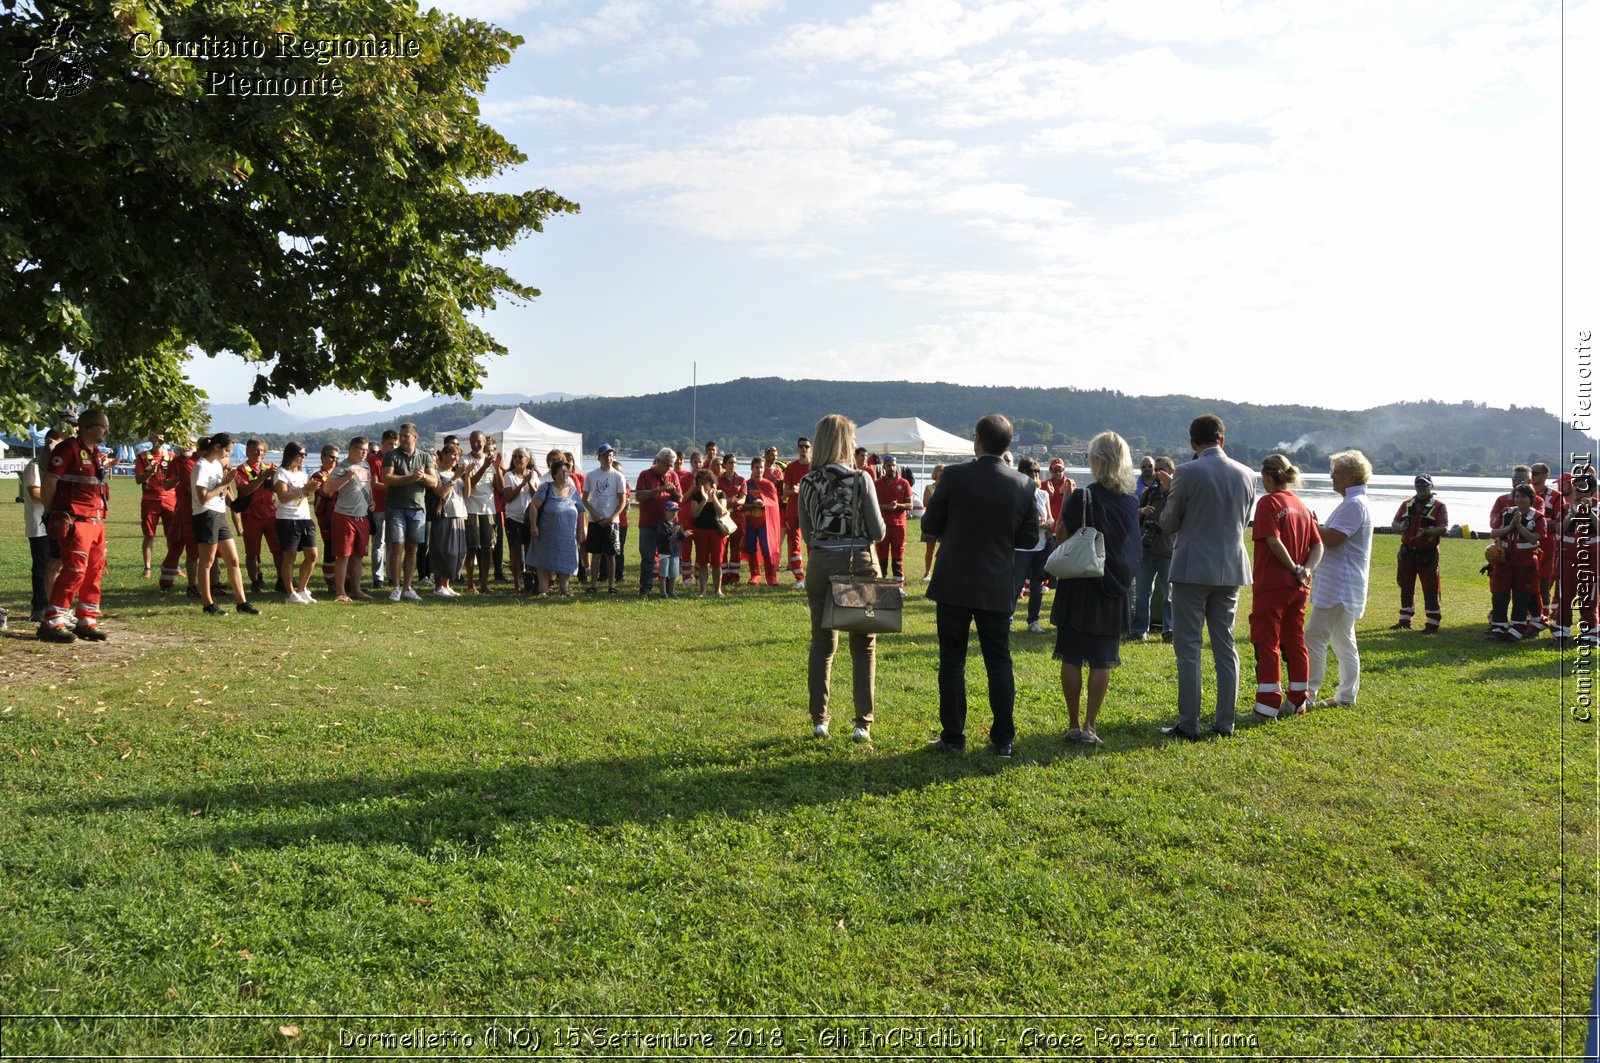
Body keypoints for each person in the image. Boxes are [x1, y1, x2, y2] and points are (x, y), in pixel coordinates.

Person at [921, 413, 1037, 758]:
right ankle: (1003, 739)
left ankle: (954, 736)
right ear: (1008, 445)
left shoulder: (954, 476)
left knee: (953, 661)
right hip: (997, 581)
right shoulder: (1023, 483)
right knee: (999, 660)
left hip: (955, 579)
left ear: (978, 440)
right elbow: (1029, 537)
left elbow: (930, 521)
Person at [1156, 414, 1256, 740]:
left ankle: (1189, 723)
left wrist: (1173, 495)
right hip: (1230, 568)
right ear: (1222, 439)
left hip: (1191, 568)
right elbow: (1244, 518)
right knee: (1225, 645)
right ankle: (1225, 722)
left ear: (1193, 444)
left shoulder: (1186, 472)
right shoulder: (1246, 474)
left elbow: (1169, 523)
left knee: (1188, 648)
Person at [798, 414, 888, 742]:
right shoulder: (861, 479)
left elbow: (807, 532)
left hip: (820, 562)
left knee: (822, 644)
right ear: (842, 442)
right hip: (858, 560)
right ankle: (862, 723)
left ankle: (819, 720)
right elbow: (877, 532)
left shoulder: (807, 483)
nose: (854, 444)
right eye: (851, 438)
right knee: (863, 646)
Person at [1050, 432, 1141, 745]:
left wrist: (1064, 500)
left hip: (1080, 584)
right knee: (1102, 659)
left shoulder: (1082, 497)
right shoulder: (1131, 501)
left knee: (1072, 656)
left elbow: (1061, 537)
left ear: (1097, 460)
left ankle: (1074, 723)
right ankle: (1091, 726)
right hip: (1113, 586)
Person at [1249, 455, 1323, 719]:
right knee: (1295, 640)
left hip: (1273, 584)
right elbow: (1318, 545)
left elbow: (1271, 539)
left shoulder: (1268, 502)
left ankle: (1267, 705)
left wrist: (1292, 566)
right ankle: (1297, 701)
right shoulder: (1301, 505)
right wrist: (1307, 570)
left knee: (1267, 641)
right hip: (1299, 586)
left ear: (1268, 477)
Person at [1306, 450, 1375, 706]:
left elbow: (1333, 539)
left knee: (1315, 636)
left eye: (1336, 472)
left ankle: (1309, 694)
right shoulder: (1353, 502)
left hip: (1339, 585)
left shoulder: (1354, 504)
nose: (1332, 477)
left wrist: (1311, 524)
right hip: (1343, 585)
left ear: (1351, 476)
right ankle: (1346, 696)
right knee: (1344, 641)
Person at [37, 413, 115, 641]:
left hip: (96, 521)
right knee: (74, 570)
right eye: (103, 427)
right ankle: (52, 622)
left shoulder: (95, 452)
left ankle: (86, 620)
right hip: (76, 521)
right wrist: (54, 512)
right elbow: (49, 484)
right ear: (88, 427)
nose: (106, 432)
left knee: (94, 571)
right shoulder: (67, 449)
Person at [189, 434, 260, 617]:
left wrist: (235, 503)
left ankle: (242, 602)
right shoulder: (201, 466)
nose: (229, 454)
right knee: (207, 562)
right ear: (218, 447)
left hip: (219, 514)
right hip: (206, 515)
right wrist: (223, 484)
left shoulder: (216, 464)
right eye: (227, 450)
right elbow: (203, 497)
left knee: (233, 560)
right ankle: (208, 604)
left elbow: (224, 490)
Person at [382, 423, 435, 603]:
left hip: (418, 509)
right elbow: (387, 479)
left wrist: (423, 477)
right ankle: (396, 587)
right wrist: (411, 478)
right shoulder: (391, 455)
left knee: (413, 549)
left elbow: (434, 482)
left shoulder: (425, 456)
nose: (402, 439)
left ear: (415, 437)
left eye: (406, 436)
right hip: (396, 508)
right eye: (401, 435)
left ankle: (408, 587)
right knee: (397, 547)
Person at [1487, 482, 1546, 641]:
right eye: (1517, 496)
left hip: (1525, 563)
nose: (1519, 500)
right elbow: (1494, 533)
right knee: (1499, 594)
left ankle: (1518, 628)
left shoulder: (1538, 517)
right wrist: (1509, 527)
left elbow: (1535, 539)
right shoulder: (1506, 512)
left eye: (1523, 497)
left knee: (1521, 596)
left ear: (1531, 498)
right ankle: (1498, 627)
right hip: (1504, 561)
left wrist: (1519, 526)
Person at [1390, 474, 1448, 632]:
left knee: (1430, 587)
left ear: (1432, 486)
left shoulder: (1439, 506)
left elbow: (1443, 528)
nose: (1421, 489)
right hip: (1407, 551)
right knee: (1405, 585)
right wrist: (1398, 527)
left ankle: (1432, 622)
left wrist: (1427, 532)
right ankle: (1405, 619)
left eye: (1425, 485)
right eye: (1418, 485)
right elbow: (1394, 523)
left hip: (1427, 552)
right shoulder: (1406, 504)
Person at [321, 437, 374, 602]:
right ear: (352, 449)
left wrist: (371, 501)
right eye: (361, 449)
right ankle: (341, 592)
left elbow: (367, 486)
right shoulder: (343, 467)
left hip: (362, 516)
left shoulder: (365, 465)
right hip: (344, 516)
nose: (365, 453)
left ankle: (356, 590)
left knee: (358, 556)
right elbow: (327, 489)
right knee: (343, 556)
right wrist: (346, 478)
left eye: (366, 450)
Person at [22, 428, 65, 622]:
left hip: (54, 521)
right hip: (39, 525)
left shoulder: (54, 468)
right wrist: (59, 498)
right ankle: (39, 607)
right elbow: (34, 493)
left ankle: (54, 606)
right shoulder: (34, 466)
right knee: (41, 567)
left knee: (56, 565)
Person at [1131, 456, 1176, 642]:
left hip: (1168, 550)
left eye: (1161, 469)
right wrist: (1141, 511)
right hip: (1146, 548)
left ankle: (1169, 631)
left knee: (1168, 595)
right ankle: (1139, 631)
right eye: (1156, 469)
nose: (1158, 473)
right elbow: (1133, 516)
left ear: (1172, 472)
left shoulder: (1178, 494)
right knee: (1142, 593)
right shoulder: (1148, 493)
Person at [272, 442, 322, 603]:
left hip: (305, 518)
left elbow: (308, 496)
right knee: (289, 557)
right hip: (287, 518)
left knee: (312, 555)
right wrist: (303, 489)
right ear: (290, 454)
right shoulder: (281, 473)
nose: (303, 457)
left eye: (305, 455)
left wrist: (312, 489)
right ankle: (291, 593)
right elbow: (283, 497)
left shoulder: (302, 474)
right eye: (300, 454)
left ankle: (302, 588)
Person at [528, 459, 586, 596]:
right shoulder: (546, 487)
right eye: (562, 471)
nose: (566, 474)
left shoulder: (573, 490)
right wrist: (533, 526)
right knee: (544, 560)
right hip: (547, 533)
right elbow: (533, 506)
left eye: (567, 471)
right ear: (554, 473)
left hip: (567, 535)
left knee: (566, 559)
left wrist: (581, 529)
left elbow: (581, 510)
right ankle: (543, 589)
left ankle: (564, 589)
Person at [1555, 473, 1599, 647]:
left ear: (1593, 490)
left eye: (1583, 486)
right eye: (1576, 486)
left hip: (1591, 558)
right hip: (1568, 557)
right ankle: (1561, 633)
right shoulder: (1565, 508)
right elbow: (1559, 529)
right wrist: (1571, 515)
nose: (1578, 490)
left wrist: (1589, 512)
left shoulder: (1598, 507)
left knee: (1589, 597)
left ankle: (1590, 636)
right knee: (1564, 595)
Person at [1011, 457, 1051, 635]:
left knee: (1038, 586)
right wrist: (1035, 524)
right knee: (1016, 585)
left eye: (1037, 471)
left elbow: (1050, 518)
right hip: (1021, 548)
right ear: (1021, 473)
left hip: (1040, 547)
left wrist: (1047, 523)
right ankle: (1008, 619)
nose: (1034, 474)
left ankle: (1033, 621)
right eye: (1030, 471)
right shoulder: (1015, 493)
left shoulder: (1043, 494)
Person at [635, 448, 681, 596]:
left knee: (669, 557)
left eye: (671, 465)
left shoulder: (673, 475)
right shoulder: (645, 475)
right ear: (658, 461)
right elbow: (639, 496)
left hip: (669, 525)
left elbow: (680, 498)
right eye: (667, 464)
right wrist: (659, 490)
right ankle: (645, 589)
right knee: (648, 557)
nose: (669, 468)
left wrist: (673, 492)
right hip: (649, 524)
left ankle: (668, 589)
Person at [583, 444, 627, 593]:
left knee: (611, 554)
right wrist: (594, 514)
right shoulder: (591, 475)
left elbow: (622, 501)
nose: (608, 458)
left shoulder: (618, 476)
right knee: (595, 554)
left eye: (610, 455)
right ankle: (593, 585)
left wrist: (612, 517)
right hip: (595, 520)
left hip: (612, 521)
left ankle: (611, 585)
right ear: (599, 457)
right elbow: (584, 499)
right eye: (605, 455)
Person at [133, 432, 176, 582]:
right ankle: (147, 568)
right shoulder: (143, 457)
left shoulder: (172, 456)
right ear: (149, 438)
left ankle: (173, 565)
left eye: (160, 437)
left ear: (165, 438)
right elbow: (138, 480)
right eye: (154, 436)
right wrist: (149, 472)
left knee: (171, 536)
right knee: (149, 535)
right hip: (150, 499)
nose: (157, 439)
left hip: (170, 499)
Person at [461, 431, 500, 595]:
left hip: (489, 509)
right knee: (472, 547)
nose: (475, 444)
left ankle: (484, 583)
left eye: (478, 441)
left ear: (485, 442)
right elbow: (469, 486)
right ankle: (471, 584)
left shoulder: (490, 460)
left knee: (487, 548)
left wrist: (497, 470)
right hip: (471, 509)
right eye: (472, 441)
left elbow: (499, 487)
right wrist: (483, 467)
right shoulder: (465, 460)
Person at [428, 444, 469, 596]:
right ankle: (438, 586)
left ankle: (446, 585)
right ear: (443, 455)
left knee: (457, 552)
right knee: (442, 551)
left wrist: (467, 475)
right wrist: (455, 477)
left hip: (459, 514)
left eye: (457, 455)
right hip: (444, 515)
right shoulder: (437, 473)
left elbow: (467, 494)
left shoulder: (456, 474)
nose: (455, 458)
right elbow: (441, 494)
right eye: (452, 454)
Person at [686, 468, 732, 598]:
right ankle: (703, 590)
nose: (702, 485)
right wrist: (704, 500)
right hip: (701, 532)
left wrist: (714, 498)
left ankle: (718, 590)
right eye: (699, 482)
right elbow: (694, 514)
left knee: (717, 563)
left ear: (711, 482)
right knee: (703, 563)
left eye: (704, 481)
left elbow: (722, 511)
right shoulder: (696, 496)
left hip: (717, 533)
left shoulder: (720, 494)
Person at [501, 448, 538, 595]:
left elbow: (536, 496)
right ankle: (517, 585)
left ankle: (530, 583)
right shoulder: (509, 475)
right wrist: (523, 483)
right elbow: (508, 497)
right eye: (514, 456)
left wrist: (529, 482)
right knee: (515, 551)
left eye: (520, 457)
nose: (517, 459)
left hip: (529, 518)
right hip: (513, 518)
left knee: (530, 551)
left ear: (527, 460)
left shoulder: (533, 474)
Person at [741, 456, 782, 587]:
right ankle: (755, 575)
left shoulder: (768, 484)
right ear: (752, 469)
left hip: (765, 522)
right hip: (750, 521)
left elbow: (774, 503)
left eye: (761, 467)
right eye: (757, 467)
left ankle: (771, 576)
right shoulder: (746, 485)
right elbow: (741, 504)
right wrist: (751, 505)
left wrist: (764, 503)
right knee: (751, 547)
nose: (759, 470)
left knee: (767, 547)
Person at [873, 456, 914, 586]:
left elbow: (910, 505)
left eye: (893, 465)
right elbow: (872, 505)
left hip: (899, 526)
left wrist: (898, 506)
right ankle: (882, 583)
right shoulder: (877, 484)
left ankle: (898, 586)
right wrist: (886, 507)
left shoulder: (904, 483)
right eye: (889, 465)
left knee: (898, 556)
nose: (891, 468)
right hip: (882, 526)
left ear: (896, 466)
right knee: (882, 555)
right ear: (884, 466)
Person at [781, 437, 812, 588]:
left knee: (812, 545)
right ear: (797, 449)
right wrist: (792, 490)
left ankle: (813, 577)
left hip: (811, 512)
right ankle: (799, 578)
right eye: (801, 446)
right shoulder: (791, 467)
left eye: (806, 446)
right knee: (795, 545)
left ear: (810, 449)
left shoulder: (815, 467)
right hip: (793, 512)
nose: (804, 449)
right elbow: (784, 492)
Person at [368, 429, 396, 586]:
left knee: (393, 543)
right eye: (389, 444)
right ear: (382, 444)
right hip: (379, 507)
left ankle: (392, 576)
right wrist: (395, 486)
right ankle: (378, 578)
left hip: (395, 507)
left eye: (395, 444)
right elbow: (374, 483)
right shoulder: (374, 460)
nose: (392, 447)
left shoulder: (397, 459)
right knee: (379, 543)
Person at [716, 453, 746, 588]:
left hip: (737, 516)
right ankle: (723, 576)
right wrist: (726, 501)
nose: (733, 465)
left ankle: (734, 576)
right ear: (724, 464)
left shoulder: (741, 480)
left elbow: (743, 499)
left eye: (735, 462)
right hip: (723, 516)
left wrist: (736, 501)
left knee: (736, 547)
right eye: (730, 462)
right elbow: (715, 496)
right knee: (722, 546)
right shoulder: (718, 480)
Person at [656, 502, 686, 598]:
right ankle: (663, 592)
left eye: (676, 511)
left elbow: (680, 536)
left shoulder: (677, 524)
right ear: (666, 511)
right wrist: (671, 532)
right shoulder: (662, 523)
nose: (674, 513)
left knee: (674, 574)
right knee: (663, 574)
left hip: (675, 552)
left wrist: (685, 534)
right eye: (672, 511)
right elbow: (661, 536)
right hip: (664, 551)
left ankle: (672, 591)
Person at [920, 463, 943, 581]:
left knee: (944, 549)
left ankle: (941, 573)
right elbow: (925, 503)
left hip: (945, 522)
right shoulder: (930, 487)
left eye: (944, 470)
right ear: (935, 473)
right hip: (931, 521)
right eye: (940, 470)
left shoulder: (948, 487)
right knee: (930, 548)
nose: (942, 472)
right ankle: (927, 572)